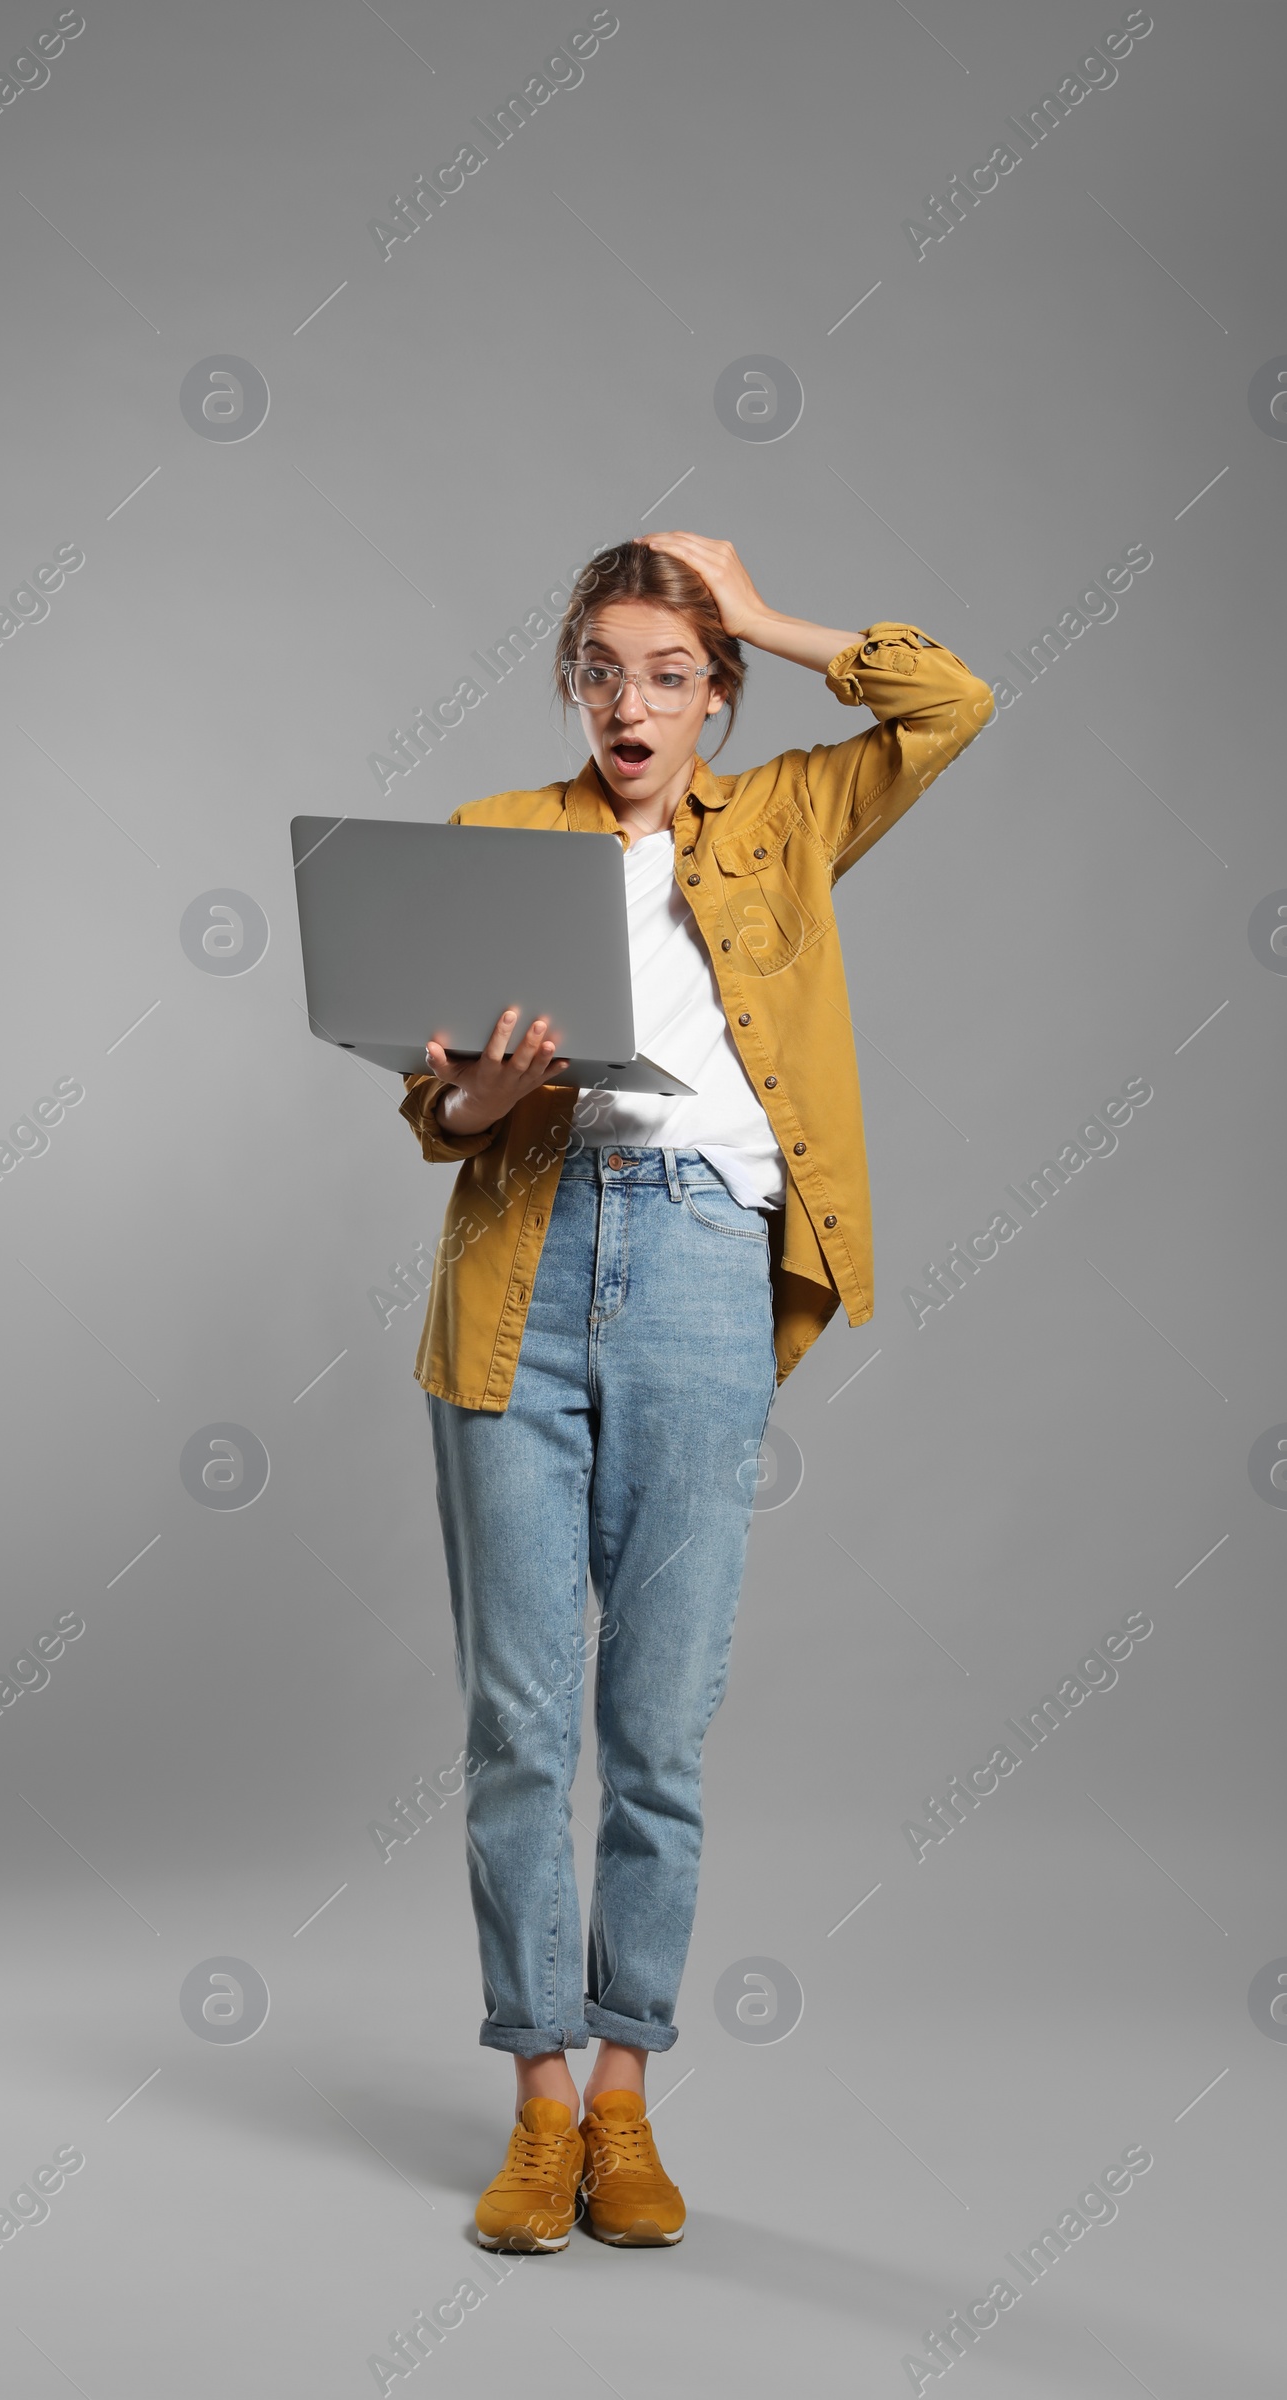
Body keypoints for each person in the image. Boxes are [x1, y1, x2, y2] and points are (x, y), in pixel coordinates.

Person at [396, 533, 994, 2249]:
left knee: (655, 1728)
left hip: (701, 1273)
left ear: (717, 694)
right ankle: (532, 2103)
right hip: (518, 1270)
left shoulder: (790, 815)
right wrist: (485, 1097)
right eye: (602, 669)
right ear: (570, 685)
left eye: (670, 671)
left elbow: (952, 700)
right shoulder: (498, 841)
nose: (631, 702)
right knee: (518, 1724)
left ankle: (628, 2101)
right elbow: (426, 1119)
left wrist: (765, 612)